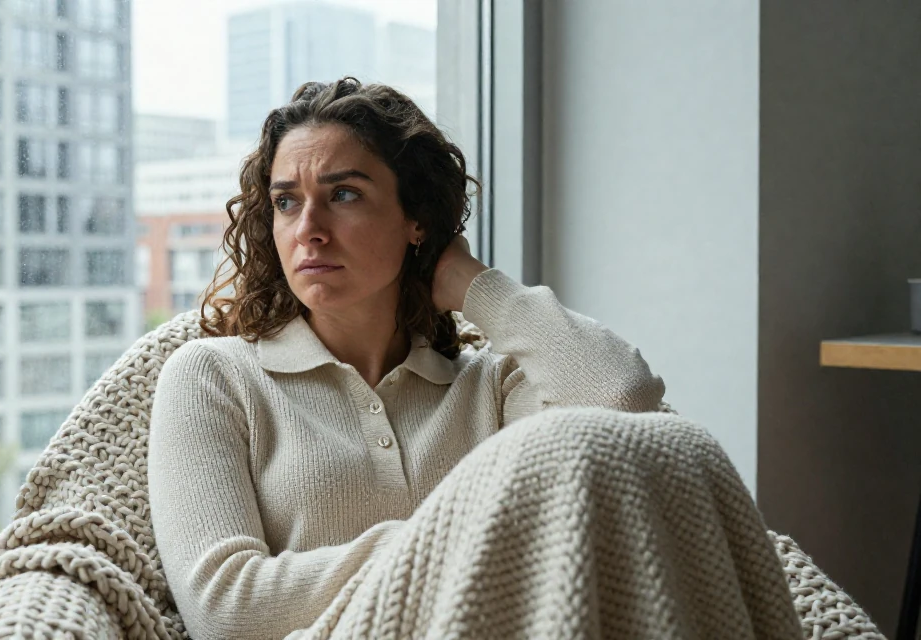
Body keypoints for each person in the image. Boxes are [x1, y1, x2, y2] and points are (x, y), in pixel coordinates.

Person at [145, 78, 669, 640]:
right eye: (286, 202)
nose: (309, 230)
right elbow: (227, 611)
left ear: (415, 218)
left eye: (343, 194)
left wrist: (475, 286)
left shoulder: (491, 387)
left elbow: (624, 399)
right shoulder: (214, 376)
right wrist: (472, 540)